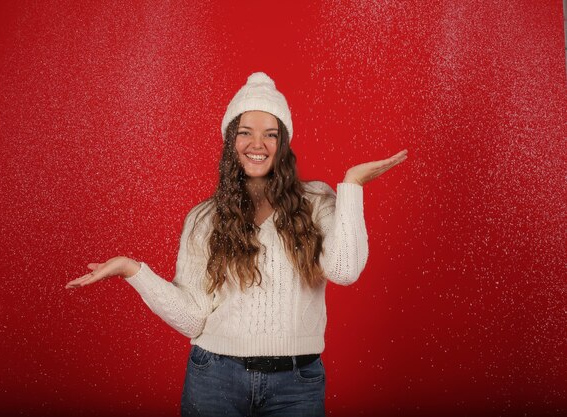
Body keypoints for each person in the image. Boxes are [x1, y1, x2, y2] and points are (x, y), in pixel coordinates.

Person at [65, 72, 407, 416]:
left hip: (296, 383)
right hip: (215, 378)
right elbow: (193, 319)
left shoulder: (317, 201)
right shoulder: (204, 218)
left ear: (283, 144)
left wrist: (352, 186)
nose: (257, 144)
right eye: (245, 132)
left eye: (270, 135)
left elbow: (345, 270)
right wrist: (133, 270)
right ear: (231, 140)